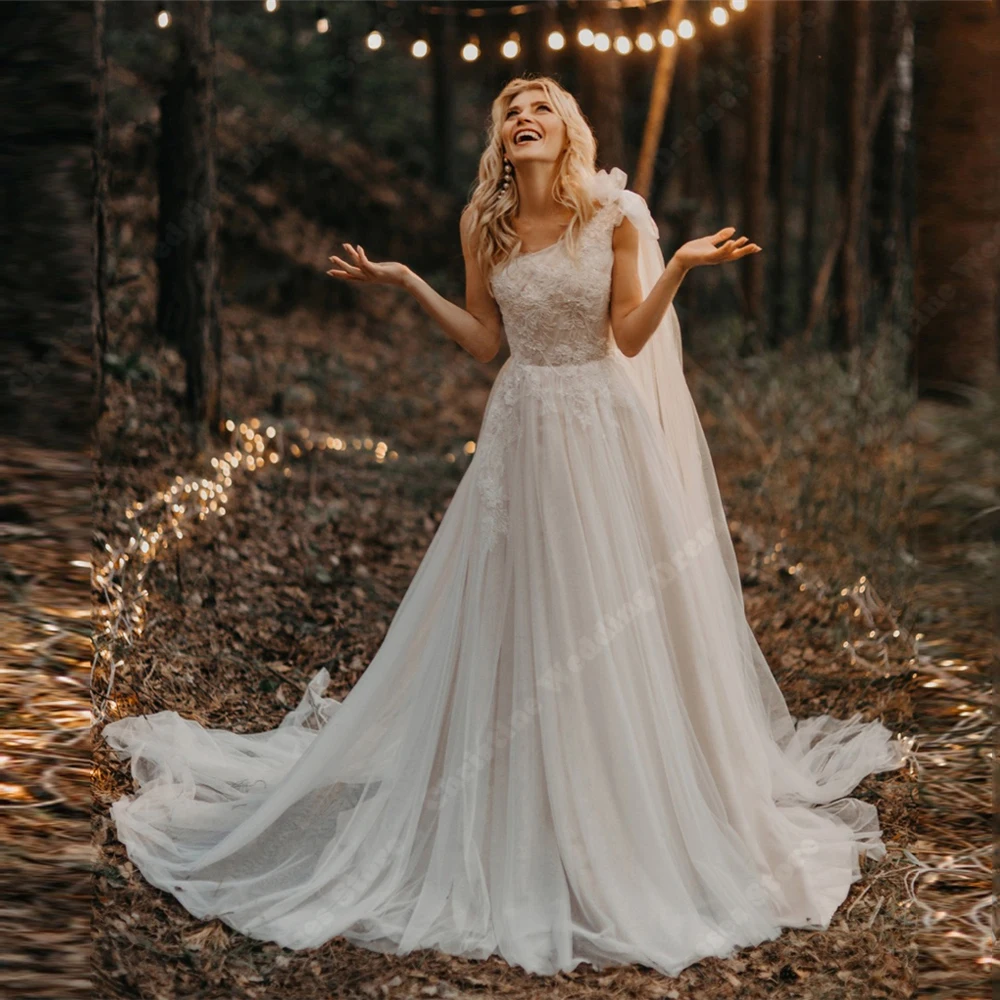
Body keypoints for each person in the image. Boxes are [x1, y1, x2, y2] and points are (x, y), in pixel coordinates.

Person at [103, 76, 904, 978]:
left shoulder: (614, 216)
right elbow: (488, 343)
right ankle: (515, 790)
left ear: (569, 132)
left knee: (605, 611)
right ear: (503, 139)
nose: (523, 119)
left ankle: (612, 803)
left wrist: (676, 263)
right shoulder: (481, 223)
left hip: (602, 429)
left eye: (541, 110)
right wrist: (409, 282)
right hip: (522, 428)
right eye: (510, 113)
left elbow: (631, 339)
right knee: (519, 607)